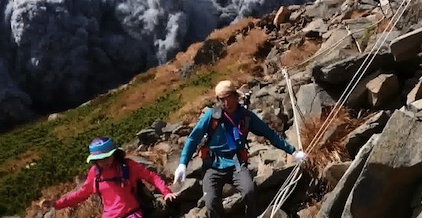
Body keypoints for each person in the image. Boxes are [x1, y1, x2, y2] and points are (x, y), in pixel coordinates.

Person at [173, 80, 307, 218]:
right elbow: (193, 139)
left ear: (236, 96)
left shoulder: (246, 116)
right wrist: (183, 163)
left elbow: (269, 134)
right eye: (222, 99)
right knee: (211, 201)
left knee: (250, 191)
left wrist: (293, 151)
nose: (226, 103)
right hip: (213, 165)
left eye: (229, 97)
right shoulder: (212, 116)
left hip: (237, 163)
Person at [39, 137, 176, 218]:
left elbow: (151, 177)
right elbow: (81, 194)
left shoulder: (127, 166)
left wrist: (166, 192)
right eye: (99, 159)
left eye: (106, 157)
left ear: (114, 154)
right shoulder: (95, 173)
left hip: (132, 214)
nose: (104, 161)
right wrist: (56, 204)